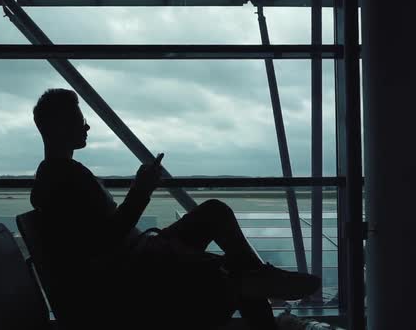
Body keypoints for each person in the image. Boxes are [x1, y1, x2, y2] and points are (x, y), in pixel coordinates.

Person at [29, 88, 320, 330]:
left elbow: (98, 240)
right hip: (136, 269)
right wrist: (141, 190)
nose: (87, 126)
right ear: (59, 125)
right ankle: (262, 281)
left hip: (139, 256)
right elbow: (107, 240)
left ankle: (260, 280)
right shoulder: (64, 178)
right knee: (223, 241)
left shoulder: (59, 175)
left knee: (215, 214)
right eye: (80, 119)